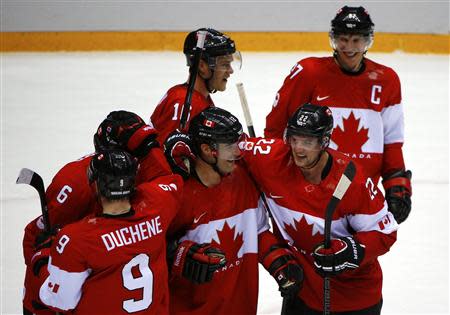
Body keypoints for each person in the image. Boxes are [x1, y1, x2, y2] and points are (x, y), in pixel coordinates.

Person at [242, 103, 398, 314]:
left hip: (355, 300)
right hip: (302, 295)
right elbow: (232, 144)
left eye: (308, 141)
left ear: (324, 141)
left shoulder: (351, 180)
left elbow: (385, 232)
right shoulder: (272, 159)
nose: (298, 148)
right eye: (294, 139)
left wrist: (351, 251)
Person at [264, 6, 412, 224]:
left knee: (362, 254)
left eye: (356, 40)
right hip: (312, 190)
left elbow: (391, 140)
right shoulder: (309, 73)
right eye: (343, 39)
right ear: (333, 39)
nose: (349, 48)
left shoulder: (386, 80)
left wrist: (396, 181)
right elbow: (276, 129)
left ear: (368, 41)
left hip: (362, 190)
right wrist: (277, 174)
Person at [22, 110, 171, 315]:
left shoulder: (139, 171)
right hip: (57, 291)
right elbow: (35, 237)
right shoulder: (73, 182)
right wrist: (44, 265)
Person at [163, 107, 303, 314]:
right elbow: (151, 248)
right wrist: (177, 254)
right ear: (206, 149)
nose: (238, 152)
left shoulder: (244, 180)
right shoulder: (177, 194)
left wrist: (278, 261)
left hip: (241, 307)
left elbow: (257, 231)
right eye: (229, 146)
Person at [150, 28, 241, 143]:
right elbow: (167, 154)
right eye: (224, 64)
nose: (230, 71)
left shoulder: (197, 97)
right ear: (202, 66)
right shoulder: (183, 103)